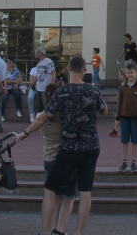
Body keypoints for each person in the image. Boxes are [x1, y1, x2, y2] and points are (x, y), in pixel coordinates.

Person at [16, 55, 107, 235]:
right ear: (84, 70)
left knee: (50, 188)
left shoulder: (61, 93)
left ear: (68, 69)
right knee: (85, 191)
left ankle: (46, 231)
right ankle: (78, 232)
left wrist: (26, 133)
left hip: (70, 148)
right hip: (91, 146)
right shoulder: (93, 90)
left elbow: (43, 118)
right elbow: (104, 111)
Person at [40, 83, 77, 235]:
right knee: (68, 197)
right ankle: (59, 229)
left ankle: (48, 230)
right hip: (65, 159)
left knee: (53, 196)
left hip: (49, 158)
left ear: (45, 97)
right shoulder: (64, 117)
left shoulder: (41, 117)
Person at [114, 63, 137, 173]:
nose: (130, 75)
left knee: (135, 141)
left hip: (135, 119)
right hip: (124, 118)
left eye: (131, 73)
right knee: (124, 141)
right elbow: (119, 103)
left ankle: (134, 163)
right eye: (128, 73)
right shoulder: (123, 88)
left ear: (136, 73)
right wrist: (118, 118)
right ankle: (124, 162)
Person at [32, 45, 56, 110]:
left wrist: (51, 87)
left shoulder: (48, 61)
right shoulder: (39, 63)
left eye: (35, 52)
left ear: (40, 53)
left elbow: (53, 74)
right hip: (39, 88)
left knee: (46, 106)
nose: (35, 54)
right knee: (39, 107)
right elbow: (36, 76)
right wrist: (29, 86)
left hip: (45, 88)